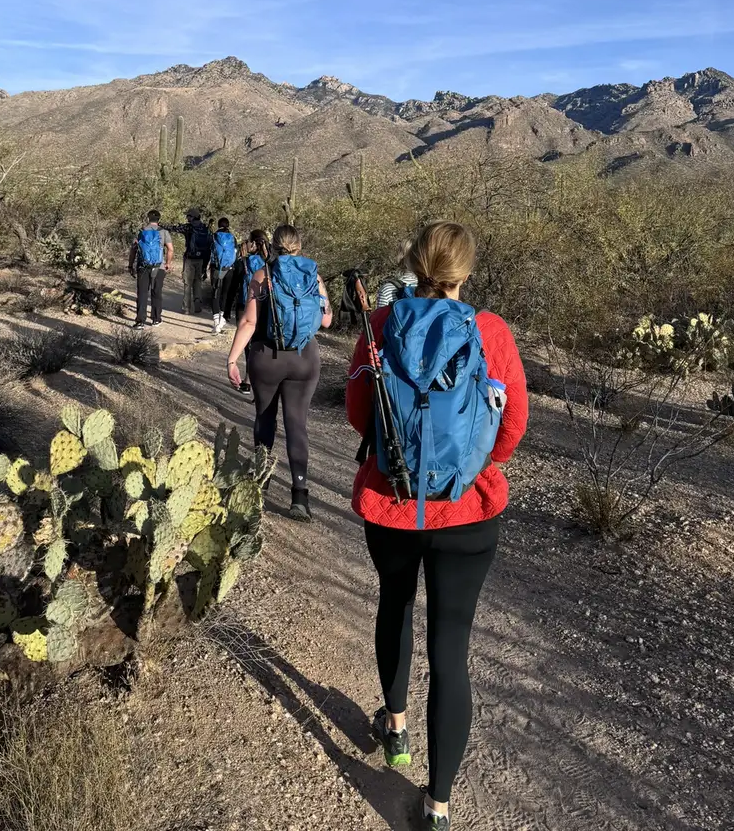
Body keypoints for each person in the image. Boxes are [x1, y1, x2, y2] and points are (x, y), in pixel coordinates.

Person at [346, 221, 528, 831]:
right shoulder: (490, 331)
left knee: (394, 605)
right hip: (468, 513)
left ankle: (395, 728)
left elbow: (359, 414)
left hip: (392, 504)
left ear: (414, 263)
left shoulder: (379, 324)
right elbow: (512, 426)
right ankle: (438, 806)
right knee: (451, 649)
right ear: (464, 273)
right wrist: (470, 463)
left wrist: (405, 455)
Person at [226, 224, 332, 521]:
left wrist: (232, 360)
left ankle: (260, 488)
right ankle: (300, 497)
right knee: (297, 425)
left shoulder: (263, 275)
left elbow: (249, 322)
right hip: (304, 357)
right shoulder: (314, 276)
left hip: (267, 358)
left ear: (272, 246)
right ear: (299, 245)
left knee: (265, 420)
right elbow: (326, 321)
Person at [228, 231, 269, 393]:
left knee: (247, 343)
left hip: (244, 305)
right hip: (265, 307)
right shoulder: (270, 263)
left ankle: (248, 379)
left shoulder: (243, 262)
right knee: (261, 342)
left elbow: (232, 287)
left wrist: (225, 310)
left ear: (252, 243)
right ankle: (260, 379)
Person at [128, 210, 173, 328]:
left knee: (142, 293)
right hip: (159, 267)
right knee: (156, 292)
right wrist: (168, 263)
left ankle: (140, 321)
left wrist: (130, 265)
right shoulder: (164, 232)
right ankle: (156, 319)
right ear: (159, 219)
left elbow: (133, 249)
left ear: (148, 218)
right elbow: (170, 249)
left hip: (143, 266)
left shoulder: (141, 231)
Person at [168, 208, 213, 315]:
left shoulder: (188, 227)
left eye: (188, 216)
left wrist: (161, 225)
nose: (187, 217)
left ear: (193, 217)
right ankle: (197, 304)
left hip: (189, 258)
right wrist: (205, 265)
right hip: (201, 259)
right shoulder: (205, 228)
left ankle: (186, 308)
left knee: (187, 283)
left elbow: (174, 228)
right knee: (197, 281)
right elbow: (209, 247)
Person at [209, 217, 239, 334]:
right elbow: (236, 253)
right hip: (229, 269)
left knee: (215, 293)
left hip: (216, 268)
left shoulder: (214, 236)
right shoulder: (232, 237)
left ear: (218, 225)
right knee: (225, 293)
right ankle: (222, 319)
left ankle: (216, 322)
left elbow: (210, 252)